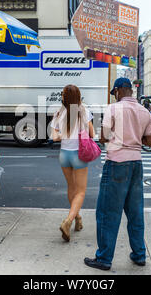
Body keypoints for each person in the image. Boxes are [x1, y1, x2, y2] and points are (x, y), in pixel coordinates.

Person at [84, 78, 151, 271]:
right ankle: (139, 254)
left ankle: (104, 258)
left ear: (119, 91)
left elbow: (104, 136)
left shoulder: (113, 109)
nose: (114, 95)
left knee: (108, 212)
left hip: (116, 163)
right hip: (136, 164)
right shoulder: (145, 111)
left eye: (114, 91)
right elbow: (150, 141)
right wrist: (134, 135)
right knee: (135, 212)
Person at [50, 85, 94, 242]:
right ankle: (68, 221)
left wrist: (65, 135)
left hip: (64, 155)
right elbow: (92, 133)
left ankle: (77, 219)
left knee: (71, 188)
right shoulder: (84, 110)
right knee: (81, 191)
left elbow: (54, 137)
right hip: (79, 154)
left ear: (64, 97)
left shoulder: (59, 112)